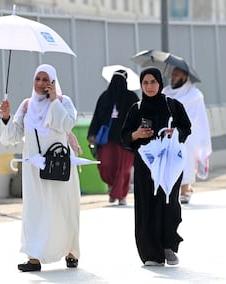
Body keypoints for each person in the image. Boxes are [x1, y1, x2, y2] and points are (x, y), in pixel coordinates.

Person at [0, 64, 80, 272]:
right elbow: (12, 136)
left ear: (53, 83)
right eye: (38, 79)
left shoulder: (64, 102)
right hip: (34, 168)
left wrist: (54, 101)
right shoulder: (27, 105)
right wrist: (6, 117)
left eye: (46, 80)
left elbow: (66, 125)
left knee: (64, 209)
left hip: (59, 165)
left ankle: (71, 251)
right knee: (34, 211)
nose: (42, 84)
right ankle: (33, 257)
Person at [121, 67, 191, 266]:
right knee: (147, 206)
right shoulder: (136, 108)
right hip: (145, 166)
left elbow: (187, 128)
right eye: (145, 83)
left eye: (153, 82)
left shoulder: (173, 106)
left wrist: (174, 132)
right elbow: (124, 136)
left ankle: (168, 245)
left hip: (169, 164)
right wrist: (136, 135)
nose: (149, 86)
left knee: (169, 205)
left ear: (160, 83)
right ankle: (151, 253)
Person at [87, 69, 139, 205]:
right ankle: (112, 187)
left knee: (124, 168)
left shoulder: (132, 98)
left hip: (126, 139)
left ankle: (121, 195)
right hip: (107, 139)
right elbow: (97, 116)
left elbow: (138, 117)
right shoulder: (105, 97)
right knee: (105, 165)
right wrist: (92, 133)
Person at [163, 67, 212, 204]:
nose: (173, 77)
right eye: (172, 74)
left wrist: (179, 127)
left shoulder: (195, 95)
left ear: (184, 77)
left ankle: (185, 189)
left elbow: (196, 118)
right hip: (168, 134)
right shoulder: (166, 92)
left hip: (188, 135)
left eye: (176, 75)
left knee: (186, 158)